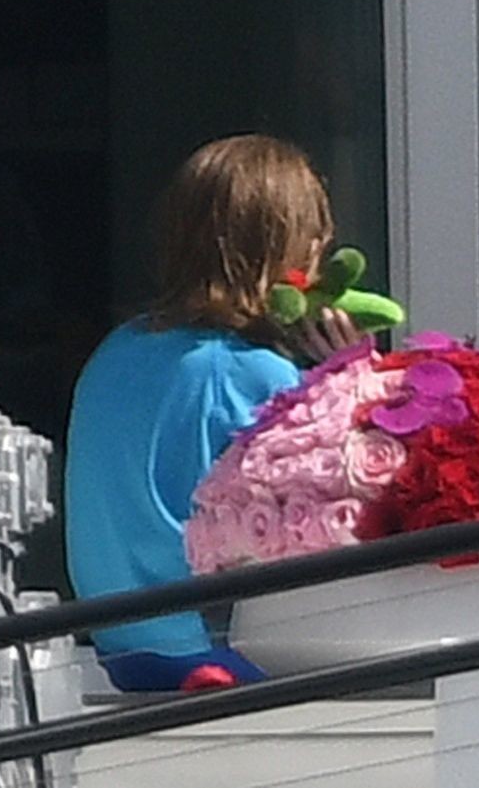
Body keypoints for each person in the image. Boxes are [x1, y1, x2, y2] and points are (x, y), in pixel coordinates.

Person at [65, 134, 366, 691]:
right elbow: (338, 498)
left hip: (122, 651)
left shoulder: (116, 350)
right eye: (315, 238)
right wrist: (350, 382)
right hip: (211, 651)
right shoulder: (250, 373)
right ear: (285, 252)